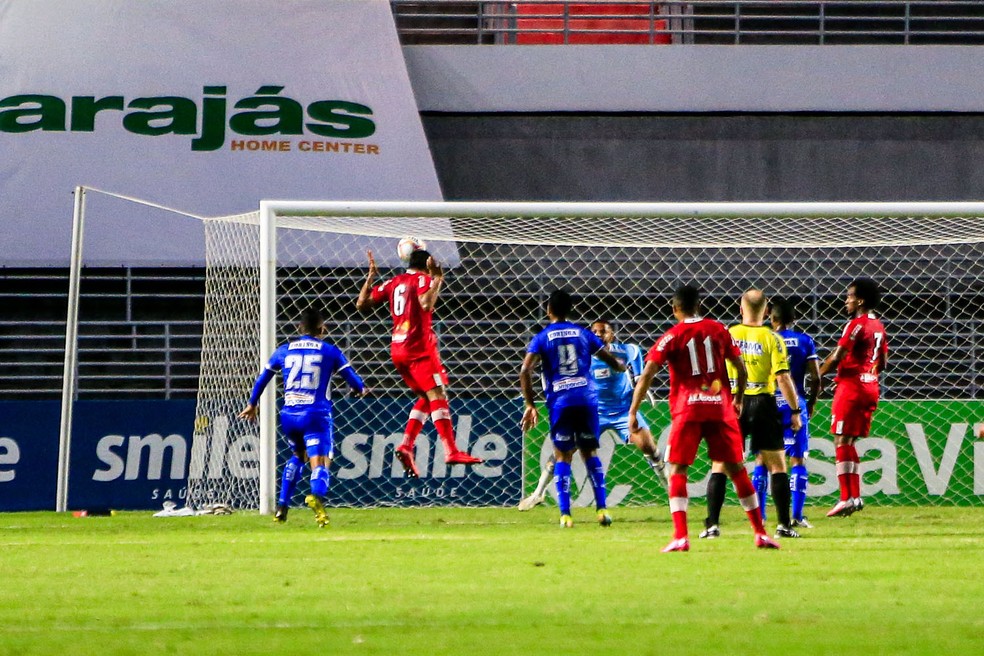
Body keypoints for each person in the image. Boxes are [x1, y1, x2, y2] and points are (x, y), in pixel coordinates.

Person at [630, 284, 779, 552]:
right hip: (720, 408)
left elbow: (648, 372)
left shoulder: (672, 335)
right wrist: (738, 399)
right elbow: (740, 368)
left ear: (675, 308)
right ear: (700, 306)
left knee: (677, 470)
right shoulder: (719, 329)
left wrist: (633, 411)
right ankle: (760, 533)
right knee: (736, 469)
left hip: (688, 409)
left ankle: (680, 537)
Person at [356, 247, 482, 478]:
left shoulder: (394, 281)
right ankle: (451, 451)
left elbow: (361, 304)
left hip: (397, 348)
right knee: (438, 394)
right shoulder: (424, 279)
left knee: (427, 397)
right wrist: (438, 278)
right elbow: (426, 304)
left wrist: (370, 278)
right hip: (418, 348)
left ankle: (405, 445)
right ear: (427, 264)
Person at [517, 319, 667, 511]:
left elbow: (638, 371)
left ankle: (672, 493)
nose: (598, 335)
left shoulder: (627, 350)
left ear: (612, 334)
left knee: (649, 447)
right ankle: (538, 493)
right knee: (563, 452)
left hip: (623, 411)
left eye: (603, 331)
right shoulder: (582, 355)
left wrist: (641, 387)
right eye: (594, 331)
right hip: (593, 411)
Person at [238, 307, 368, 527]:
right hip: (315, 415)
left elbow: (262, 379)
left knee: (298, 455)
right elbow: (353, 380)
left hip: (289, 415)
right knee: (321, 461)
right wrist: (361, 389)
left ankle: (282, 506)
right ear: (322, 328)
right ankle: (316, 498)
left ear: (300, 328)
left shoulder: (283, 350)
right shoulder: (329, 351)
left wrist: (252, 404)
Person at [700, 289, 803, 540]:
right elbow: (783, 377)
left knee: (720, 465)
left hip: (731, 402)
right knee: (777, 465)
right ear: (767, 312)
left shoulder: (727, 334)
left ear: (740, 308)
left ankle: (712, 525)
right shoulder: (772, 338)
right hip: (762, 402)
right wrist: (795, 410)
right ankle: (783, 526)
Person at [520, 290, 626, 528]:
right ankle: (602, 510)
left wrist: (530, 404)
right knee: (590, 453)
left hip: (561, 401)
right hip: (587, 399)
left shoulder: (542, 337)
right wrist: (620, 367)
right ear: (570, 310)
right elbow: (610, 359)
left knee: (562, 455)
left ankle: (566, 514)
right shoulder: (583, 333)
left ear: (548, 310)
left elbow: (525, 371)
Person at [818, 277, 888, 517]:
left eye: (849, 296)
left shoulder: (856, 324)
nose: (846, 300)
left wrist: (818, 376)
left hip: (852, 387)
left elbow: (838, 356)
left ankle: (848, 497)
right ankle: (854, 497)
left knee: (841, 440)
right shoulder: (878, 325)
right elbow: (884, 362)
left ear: (860, 300)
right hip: (871, 385)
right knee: (848, 442)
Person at [770, 298, 821, 528]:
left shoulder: (766, 340)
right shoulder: (805, 341)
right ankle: (797, 516)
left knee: (763, 460)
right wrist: (810, 402)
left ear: (773, 320)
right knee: (797, 459)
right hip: (795, 402)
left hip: (769, 402)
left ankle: (760, 517)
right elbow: (816, 377)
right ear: (793, 320)